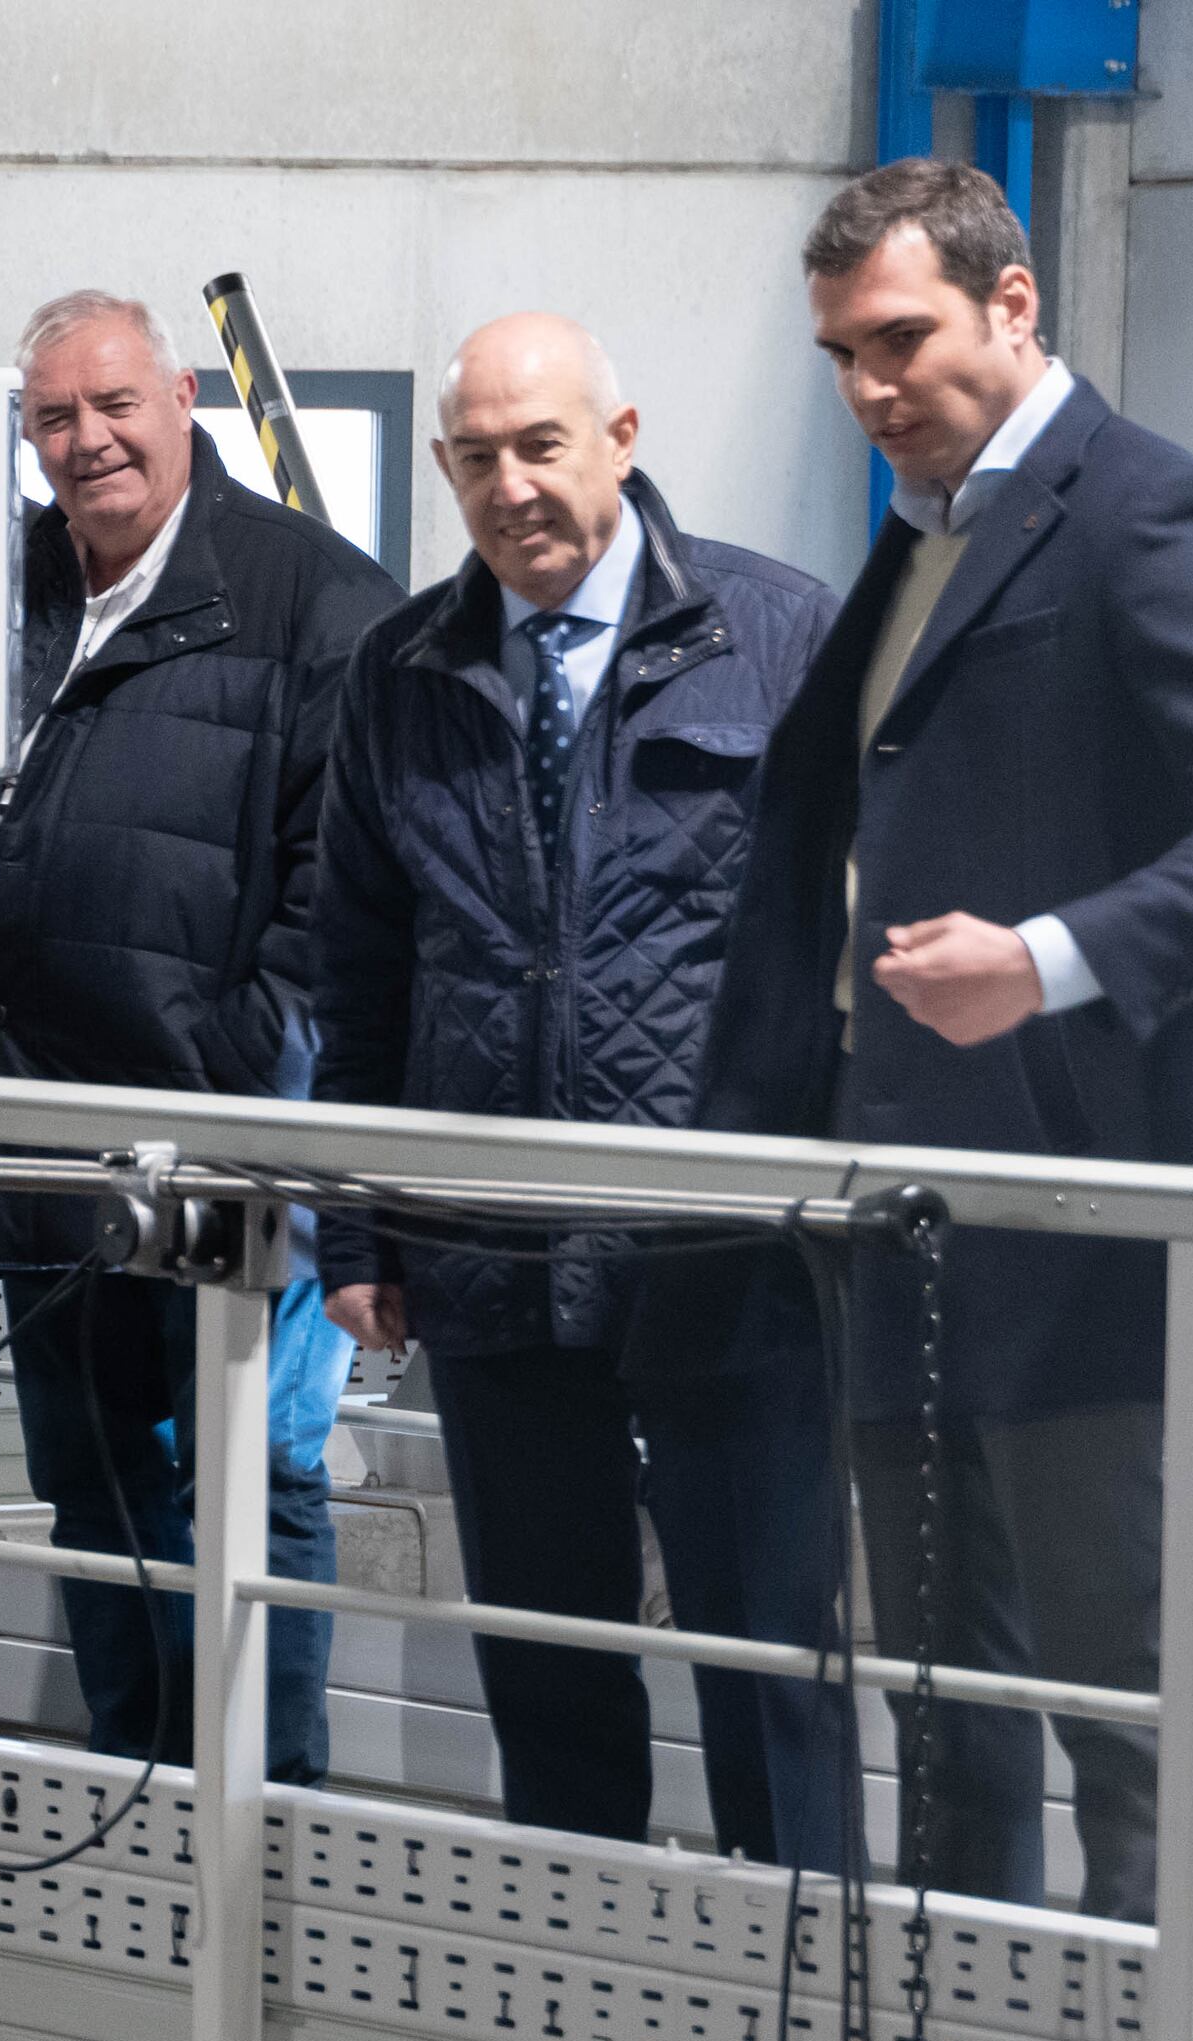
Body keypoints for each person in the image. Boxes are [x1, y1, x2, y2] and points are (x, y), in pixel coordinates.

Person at [693, 160, 1193, 1919]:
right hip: (902, 1211)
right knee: (943, 1723)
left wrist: (1047, 960)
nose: (868, 387)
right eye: (840, 353)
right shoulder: (924, 538)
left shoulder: (1149, 513)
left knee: (1121, 1728)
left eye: (900, 340)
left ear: (1016, 304)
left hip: (1080, 1228)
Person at [313, 317, 853, 1862]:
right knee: (546, 1672)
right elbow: (357, 964)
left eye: (541, 446)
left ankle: (791, 1999)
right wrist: (359, 1231)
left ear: (621, 433)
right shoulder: (402, 668)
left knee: (770, 1671)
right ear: (442, 469)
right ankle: (581, 1984)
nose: (512, 486)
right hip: (491, 1248)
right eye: (476, 458)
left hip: (724, 1253)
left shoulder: (778, 634)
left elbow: (845, 945)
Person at [0, 290, 399, 1780]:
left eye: (113, 404)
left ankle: (267, 1814)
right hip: (41, 1130)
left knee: (253, 1476)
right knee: (92, 1475)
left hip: (227, 1143)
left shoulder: (316, 598)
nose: (87, 441)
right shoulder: (9, 586)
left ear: (181, 397)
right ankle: (133, 1787)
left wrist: (244, 1068)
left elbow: (348, 885)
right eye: (53, 417)